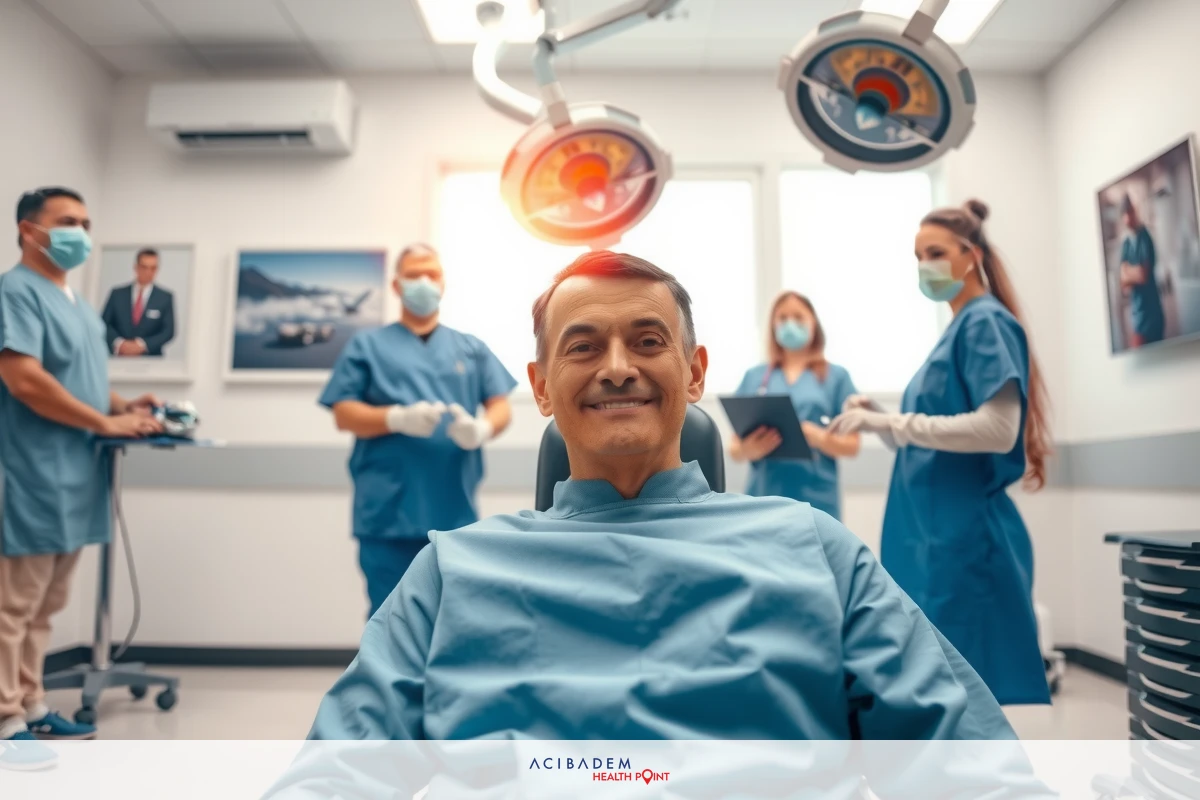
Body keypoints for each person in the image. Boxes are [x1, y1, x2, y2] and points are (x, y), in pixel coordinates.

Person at [299, 250, 1015, 742]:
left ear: (695, 372)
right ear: (541, 385)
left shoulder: (813, 549)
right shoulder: (452, 571)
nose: (617, 369)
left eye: (647, 341)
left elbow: (965, 757)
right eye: (582, 347)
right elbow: (337, 770)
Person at [829, 199, 1053, 707]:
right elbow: (931, 439)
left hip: (963, 540)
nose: (924, 266)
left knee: (967, 686)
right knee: (941, 684)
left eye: (935, 252)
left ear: (970, 255)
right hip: (931, 535)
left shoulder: (984, 323)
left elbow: (997, 430)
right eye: (917, 256)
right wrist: (879, 415)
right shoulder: (956, 330)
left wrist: (888, 421)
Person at [0, 188, 162, 763]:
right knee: (11, 606)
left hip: (74, 474)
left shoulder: (75, 303)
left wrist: (122, 407)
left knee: (45, 607)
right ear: (28, 231)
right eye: (67, 222)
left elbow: (80, 379)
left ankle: (32, 707)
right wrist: (102, 419)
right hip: (29, 470)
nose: (80, 233)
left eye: (86, 223)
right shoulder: (14, 292)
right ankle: (3, 722)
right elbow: (25, 380)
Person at [319, 243, 517, 618]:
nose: (424, 282)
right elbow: (343, 413)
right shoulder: (367, 345)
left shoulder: (470, 348)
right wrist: (395, 419)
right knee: (390, 618)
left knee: (452, 618)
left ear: (444, 282)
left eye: (432, 274)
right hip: (388, 512)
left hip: (453, 509)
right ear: (396, 285)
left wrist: (483, 429)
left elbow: (501, 404)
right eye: (414, 275)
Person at [730, 291, 859, 519]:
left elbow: (852, 445)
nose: (790, 324)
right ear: (773, 326)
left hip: (817, 499)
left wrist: (819, 437)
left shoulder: (836, 377)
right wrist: (747, 450)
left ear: (814, 324)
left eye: (799, 317)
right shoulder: (754, 377)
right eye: (783, 318)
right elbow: (734, 448)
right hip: (763, 497)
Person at [101, 247, 176, 357]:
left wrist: (142, 345)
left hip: (151, 359)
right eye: (144, 267)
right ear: (136, 267)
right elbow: (104, 324)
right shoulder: (117, 294)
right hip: (119, 357)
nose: (148, 272)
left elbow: (168, 331)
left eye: (153, 268)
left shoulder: (165, 297)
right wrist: (120, 343)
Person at [1117, 194, 1165, 347]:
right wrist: (1132, 273)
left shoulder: (1144, 237)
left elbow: (1143, 275)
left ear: (1134, 211)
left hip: (1151, 315)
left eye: (1129, 212)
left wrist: (1128, 272)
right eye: (1124, 214)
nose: (1127, 217)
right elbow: (1123, 283)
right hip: (1137, 316)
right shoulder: (1126, 243)